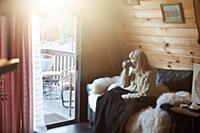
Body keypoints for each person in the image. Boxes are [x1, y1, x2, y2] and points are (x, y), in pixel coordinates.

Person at [95, 49, 156, 133]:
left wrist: (127, 96)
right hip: (130, 91)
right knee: (110, 95)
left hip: (143, 97)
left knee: (126, 107)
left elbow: (146, 93)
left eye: (134, 62)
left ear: (141, 62)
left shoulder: (150, 73)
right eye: (131, 61)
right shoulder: (133, 69)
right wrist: (126, 70)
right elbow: (124, 85)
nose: (132, 64)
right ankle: (100, 127)